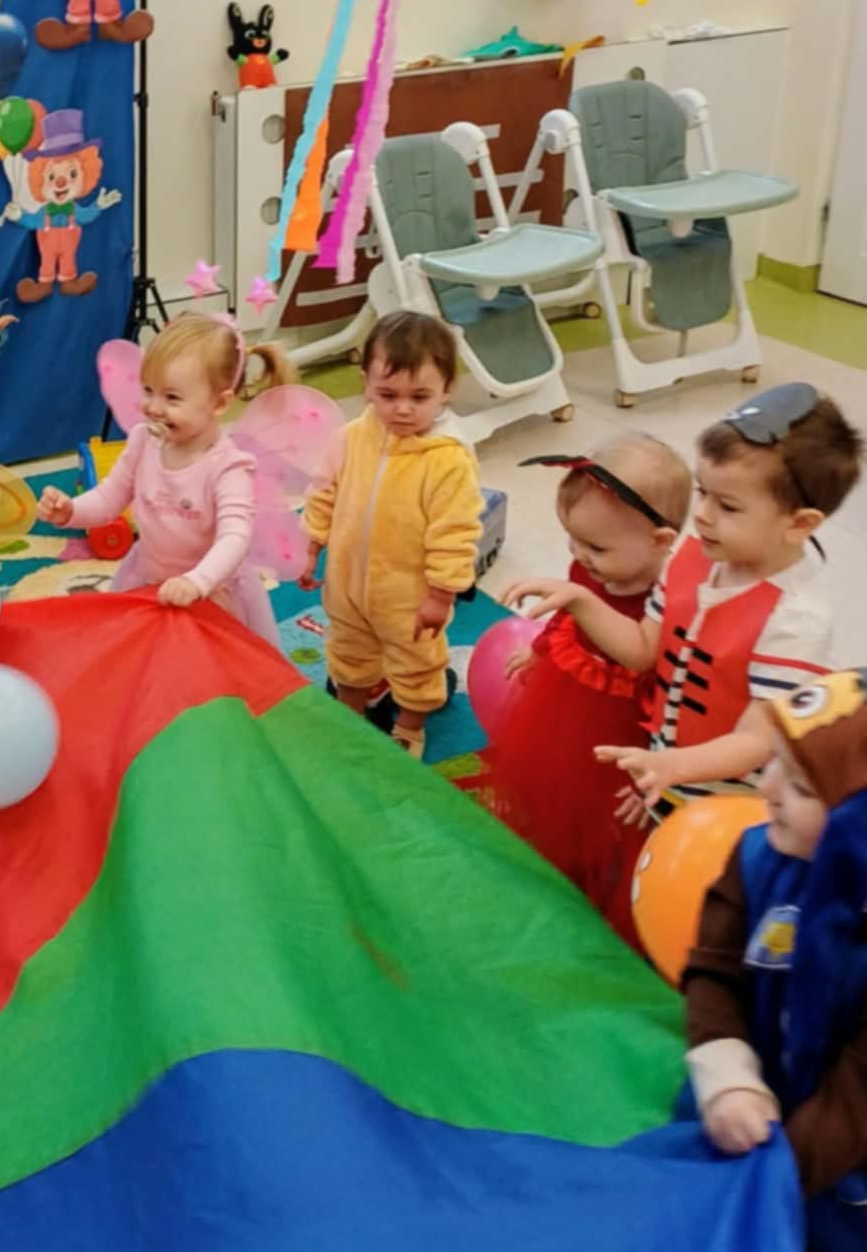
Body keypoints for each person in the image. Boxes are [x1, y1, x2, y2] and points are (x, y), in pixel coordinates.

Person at [504, 384, 862, 818]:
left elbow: (755, 741)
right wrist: (581, 599)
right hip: (666, 774)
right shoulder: (691, 559)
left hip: (723, 805)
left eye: (728, 506)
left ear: (799, 524)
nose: (703, 514)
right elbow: (643, 650)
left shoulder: (796, 622)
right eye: (702, 492)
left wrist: (673, 767)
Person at [682, 669, 867, 1252]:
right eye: (771, 769)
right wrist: (727, 1075)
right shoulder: (759, 856)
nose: (763, 792)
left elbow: (859, 1098)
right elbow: (713, 971)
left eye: (798, 786)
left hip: (845, 1193)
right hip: (756, 1139)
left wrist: (773, 1176)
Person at [483, 438, 691, 943]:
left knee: (605, 814)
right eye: (573, 540)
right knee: (553, 776)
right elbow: (570, 617)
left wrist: (662, 772)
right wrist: (543, 651)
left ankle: (593, 879)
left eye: (596, 548)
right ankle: (554, 848)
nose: (580, 557)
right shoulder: (588, 569)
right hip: (568, 698)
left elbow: (654, 670)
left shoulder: (671, 600)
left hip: (623, 726)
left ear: (660, 542)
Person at [37, 314, 294, 644]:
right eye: (148, 391)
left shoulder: (229, 468)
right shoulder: (143, 441)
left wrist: (196, 582)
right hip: (149, 579)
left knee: (209, 665)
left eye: (172, 397)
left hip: (210, 592)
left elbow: (234, 538)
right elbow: (108, 498)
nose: (154, 408)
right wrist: (71, 510)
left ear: (219, 403)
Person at [300, 311, 481, 759]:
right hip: (347, 585)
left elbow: (455, 533)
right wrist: (311, 545)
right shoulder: (350, 438)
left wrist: (441, 595)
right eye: (388, 395)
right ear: (366, 384)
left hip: (409, 598)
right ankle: (350, 714)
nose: (402, 409)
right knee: (348, 653)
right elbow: (323, 492)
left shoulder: (448, 459)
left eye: (419, 397)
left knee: (417, 664)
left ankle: (408, 727)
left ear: (447, 389)